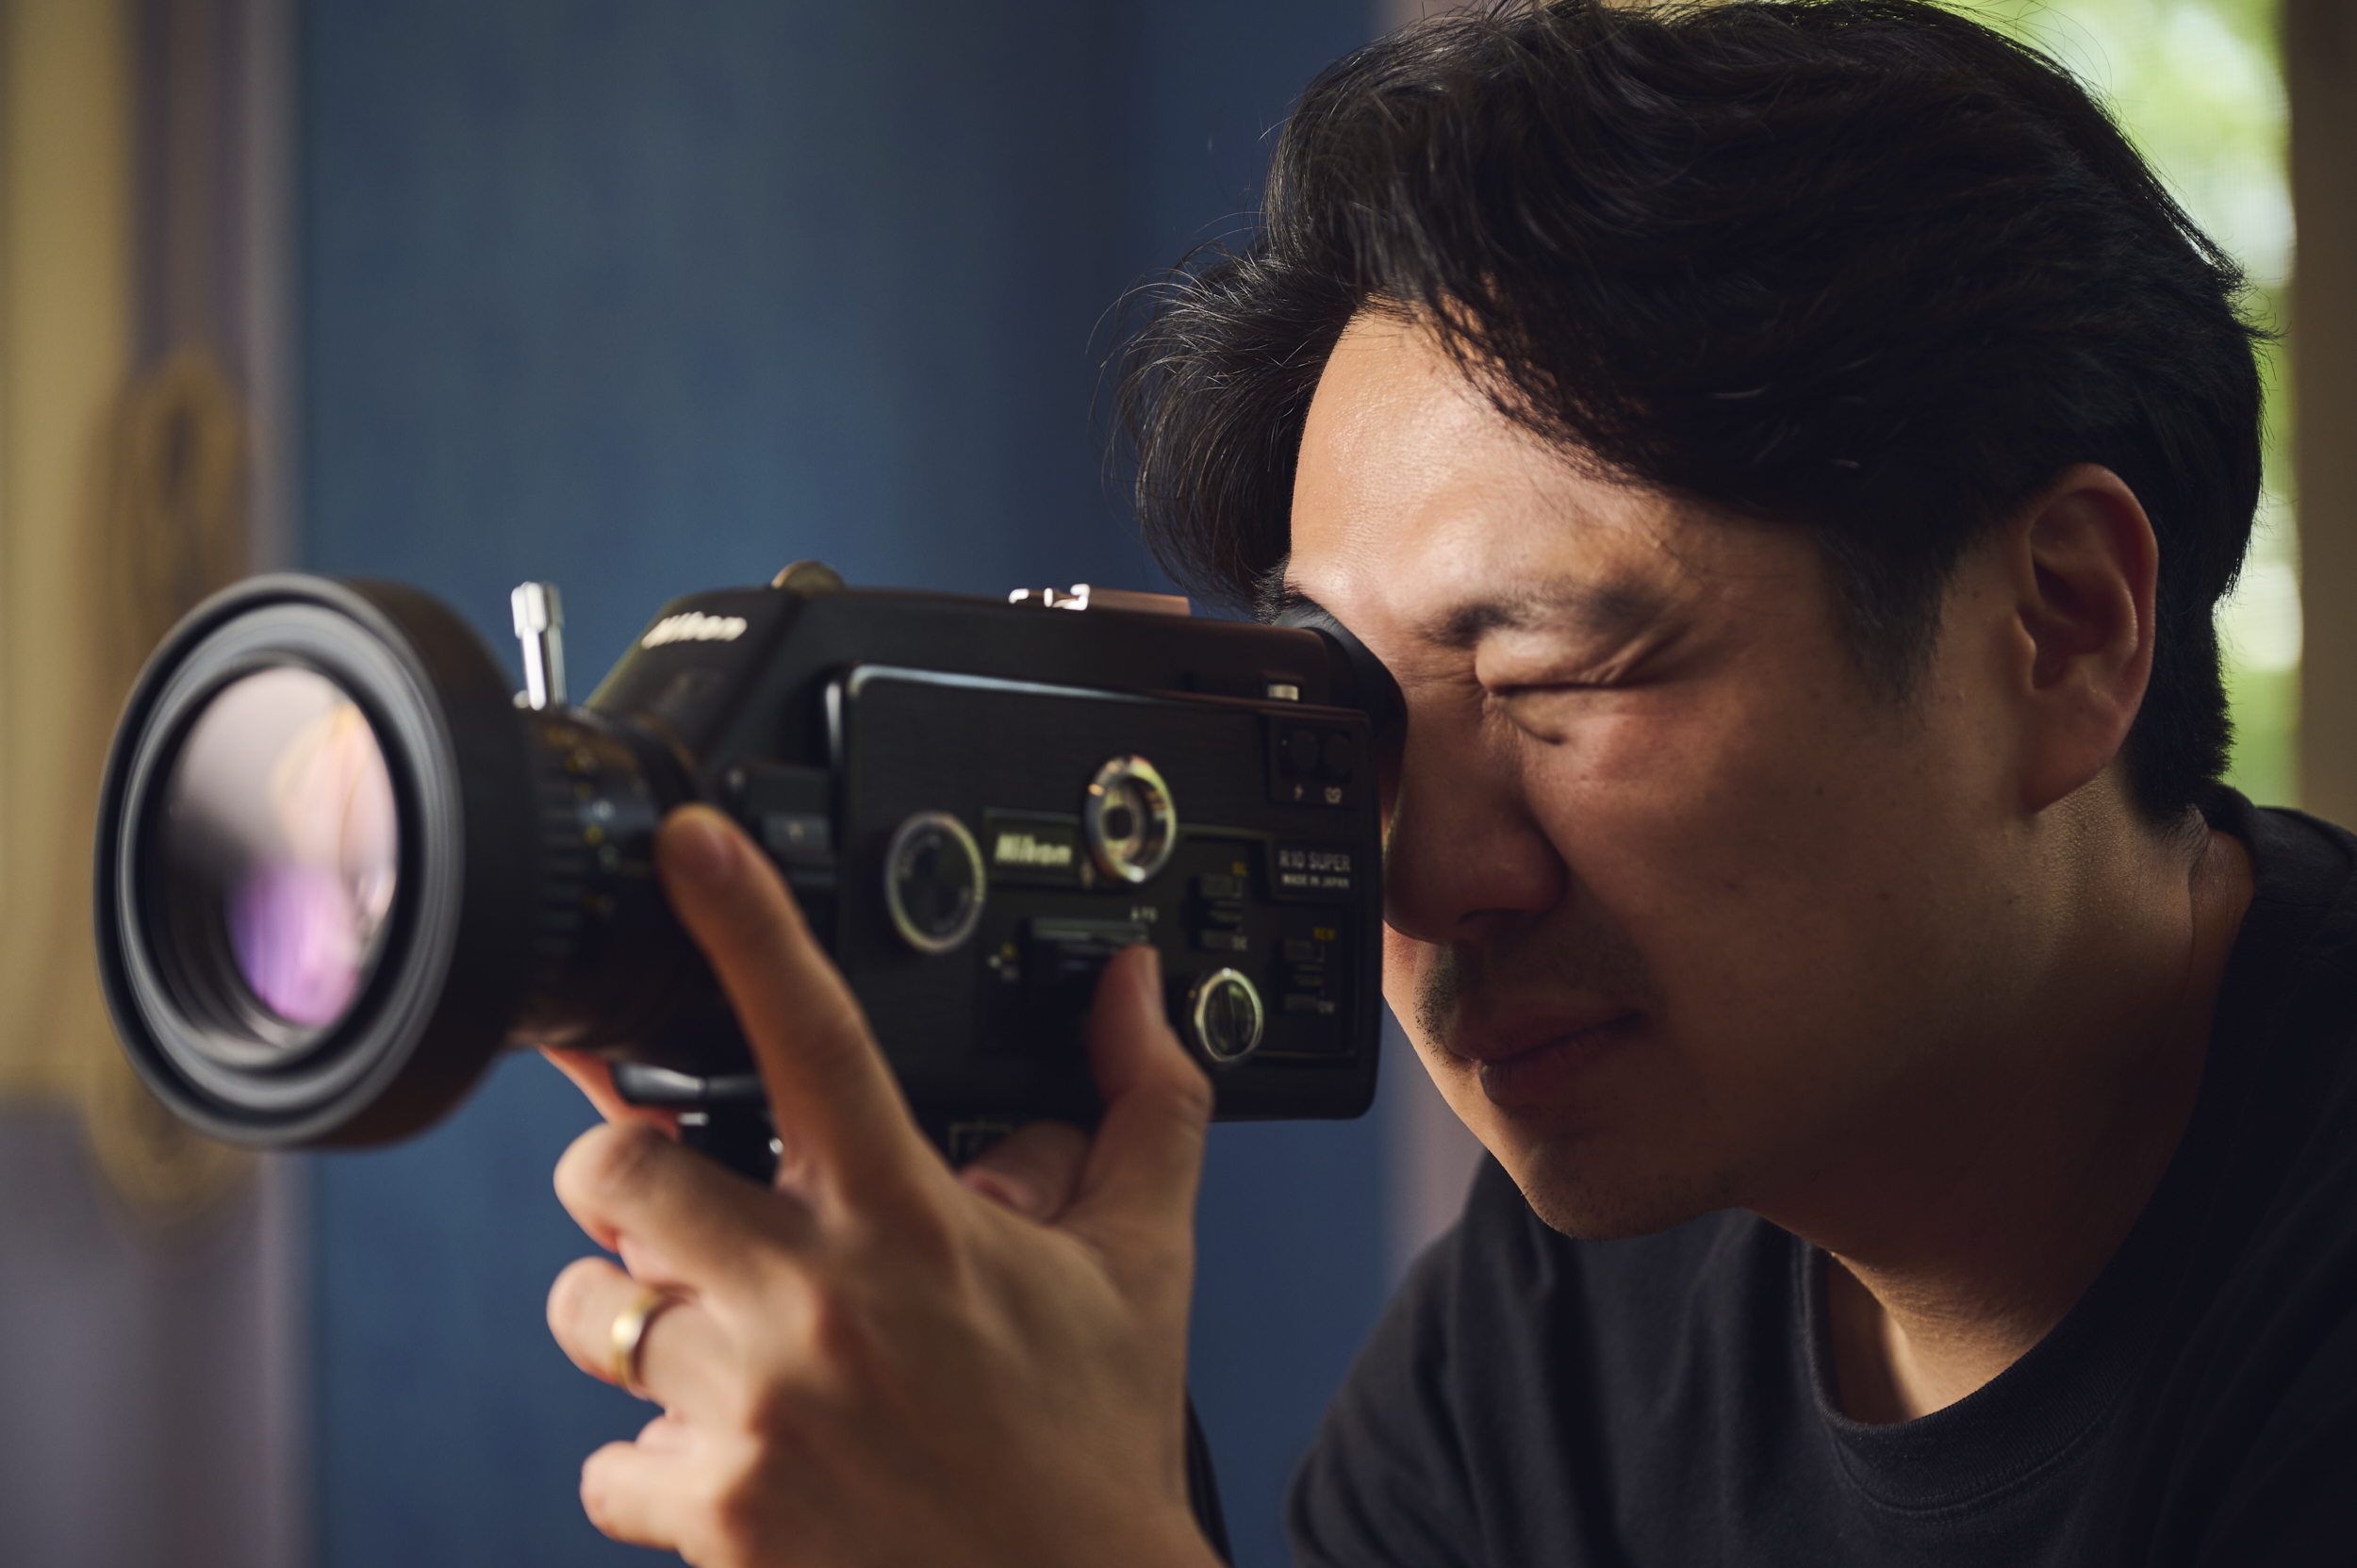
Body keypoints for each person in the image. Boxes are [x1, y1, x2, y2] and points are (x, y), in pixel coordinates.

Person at [539, 2, 2353, 1563]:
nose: (1419, 882)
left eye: (1552, 673)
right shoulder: (1551, 1331)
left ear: (2062, 630)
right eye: (1353, 721)